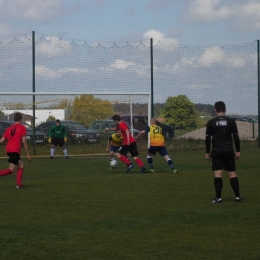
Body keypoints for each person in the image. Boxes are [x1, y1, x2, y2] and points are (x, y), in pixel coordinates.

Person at [205, 101, 242, 203]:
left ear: (215, 110)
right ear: (225, 109)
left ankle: (218, 197)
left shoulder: (211, 122)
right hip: (228, 149)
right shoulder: (231, 121)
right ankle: (237, 196)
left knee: (218, 174)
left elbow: (208, 139)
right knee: (232, 173)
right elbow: (236, 137)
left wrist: (208, 152)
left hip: (216, 150)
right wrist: (238, 150)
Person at [0, 112, 32, 189]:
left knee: (21, 164)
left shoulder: (8, 128)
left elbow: (1, 141)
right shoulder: (22, 127)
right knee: (11, 170)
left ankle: (19, 184)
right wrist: (28, 154)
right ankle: (18, 184)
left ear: (14, 119)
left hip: (8, 150)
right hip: (15, 150)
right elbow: (24, 141)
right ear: (21, 119)